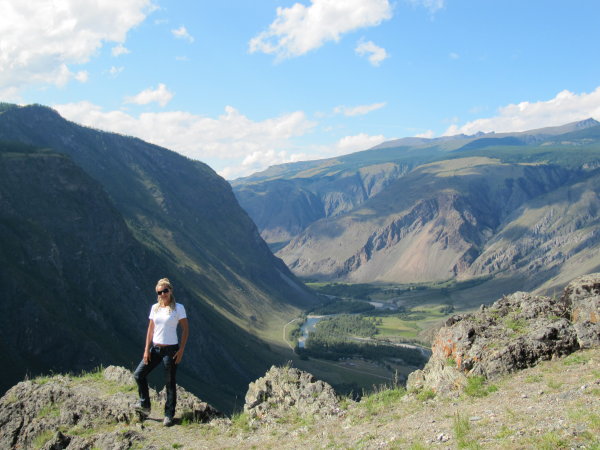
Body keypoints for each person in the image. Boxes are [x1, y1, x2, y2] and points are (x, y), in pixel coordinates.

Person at [133, 278, 189, 426]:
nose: (163, 294)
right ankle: (145, 405)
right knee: (139, 374)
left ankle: (168, 414)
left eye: (165, 291)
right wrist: (146, 350)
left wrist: (181, 350)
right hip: (156, 349)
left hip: (171, 350)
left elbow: (185, 329)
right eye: (160, 292)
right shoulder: (155, 308)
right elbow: (150, 329)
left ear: (170, 290)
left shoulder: (178, 308)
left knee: (170, 382)